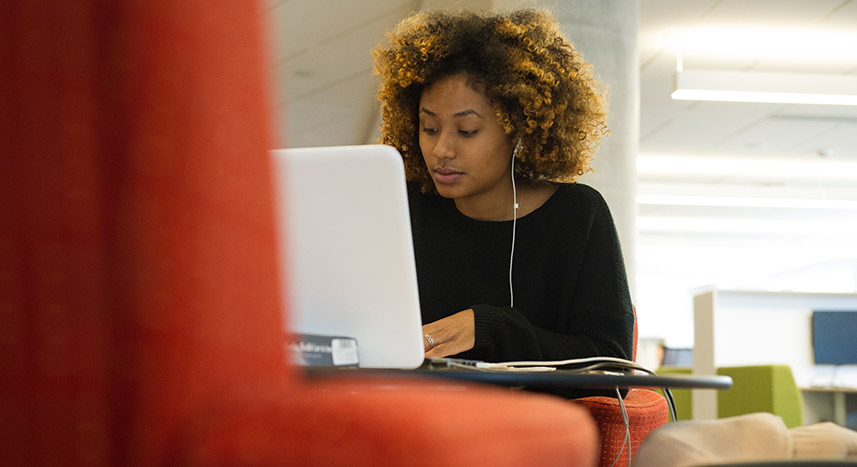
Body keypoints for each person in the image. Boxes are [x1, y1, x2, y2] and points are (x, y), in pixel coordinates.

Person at [372, 8, 634, 364]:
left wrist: (489, 327)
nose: (441, 150)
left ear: (519, 130)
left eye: (467, 131)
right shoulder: (401, 207)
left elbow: (610, 363)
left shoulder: (577, 217)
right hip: (411, 411)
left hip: (529, 419)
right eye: (429, 128)